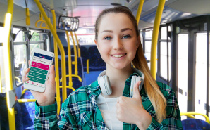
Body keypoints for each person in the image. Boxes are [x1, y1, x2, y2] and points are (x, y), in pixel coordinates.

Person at [22, 6, 183, 130]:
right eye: (107, 37)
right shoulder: (77, 101)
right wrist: (45, 103)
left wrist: (144, 121)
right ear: (97, 44)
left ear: (137, 41)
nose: (117, 45)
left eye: (126, 36)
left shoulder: (164, 97)